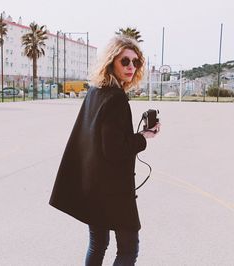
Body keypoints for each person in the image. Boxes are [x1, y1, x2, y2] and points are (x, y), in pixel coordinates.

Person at [49, 35, 161, 265]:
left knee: (98, 244)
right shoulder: (116, 98)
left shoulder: (95, 92)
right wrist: (143, 137)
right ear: (111, 62)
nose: (131, 67)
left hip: (93, 186)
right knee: (129, 249)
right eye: (125, 61)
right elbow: (114, 149)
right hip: (114, 191)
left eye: (136, 62)